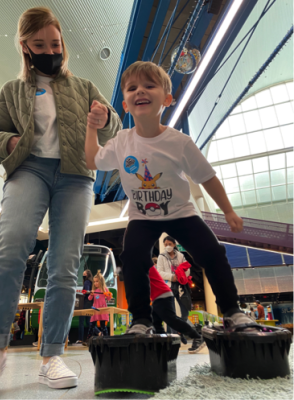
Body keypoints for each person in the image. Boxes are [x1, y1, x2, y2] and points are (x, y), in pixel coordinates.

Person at [0, 7, 121, 392]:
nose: (50, 50)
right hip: (28, 169)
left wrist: (103, 119)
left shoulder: (82, 86)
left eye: (55, 43)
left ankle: (52, 355)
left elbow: (115, 123)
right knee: (11, 247)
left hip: (75, 177)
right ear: (25, 47)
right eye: (40, 44)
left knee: (65, 263)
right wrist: (11, 141)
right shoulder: (12, 91)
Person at [85, 60, 255, 336]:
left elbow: (207, 177)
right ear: (125, 105)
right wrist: (92, 128)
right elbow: (92, 160)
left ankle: (233, 312)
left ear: (167, 98)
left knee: (213, 252)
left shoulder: (180, 142)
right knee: (132, 256)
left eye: (149, 85)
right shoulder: (120, 142)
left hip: (181, 213)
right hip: (142, 217)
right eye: (132, 88)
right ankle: (141, 319)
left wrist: (228, 211)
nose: (140, 90)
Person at [149, 265, 204, 353]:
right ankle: (162, 345)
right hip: (157, 297)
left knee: (171, 319)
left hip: (162, 295)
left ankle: (197, 337)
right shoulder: (141, 265)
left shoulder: (144, 264)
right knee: (156, 322)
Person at [157, 236, 190, 323]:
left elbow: (187, 269)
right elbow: (159, 272)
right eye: (166, 244)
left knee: (185, 311)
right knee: (171, 312)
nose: (168, 246)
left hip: (181, 286)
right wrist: (172, 277)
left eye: (170, 244)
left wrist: (182, 277)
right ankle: (174, 334)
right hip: (168, 287)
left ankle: (182, 329)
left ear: (174, 244)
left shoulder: (181, 255)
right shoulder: (161, 256)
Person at [85, 270, 112, 341]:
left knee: (103, 326)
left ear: (101, 281)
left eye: (97, 281)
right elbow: (89, 299)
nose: (95, 283)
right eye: (94, 281)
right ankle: (88, 339)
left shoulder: (105, 289)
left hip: (102, 310)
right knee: (91, 325)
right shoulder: (94, 290)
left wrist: (109, 294)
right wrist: (91, 294)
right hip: (95, 309)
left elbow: (109, 298)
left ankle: (106, 339)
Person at [75, 269, 93, 345]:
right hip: (90, 303)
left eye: (84, 274)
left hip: (84, 303)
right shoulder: (91, 282)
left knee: (81, 322)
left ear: (87, 275)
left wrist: (84, 292)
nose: (83, 275)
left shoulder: (86, 282)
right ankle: (97, 333)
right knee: (89, 322)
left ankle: (80, 339)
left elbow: (87, 291)